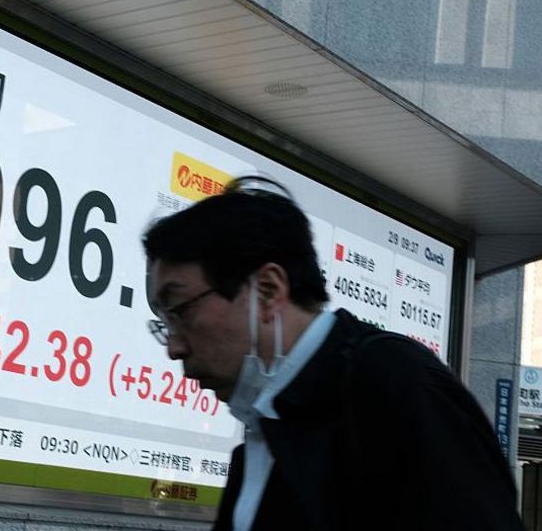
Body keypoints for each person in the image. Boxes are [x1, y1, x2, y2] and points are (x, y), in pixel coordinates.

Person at [142, 176, 523, 531]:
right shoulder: (267, 434)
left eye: (180, 311)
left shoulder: (393, 383)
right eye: (164, 322)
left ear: (268, 290)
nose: (174, 348)